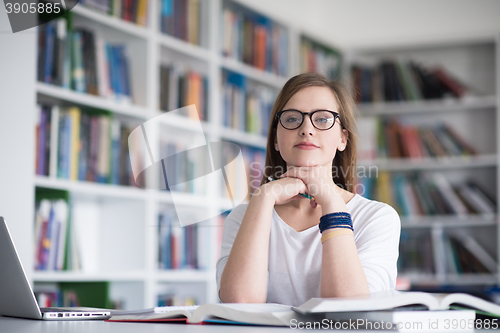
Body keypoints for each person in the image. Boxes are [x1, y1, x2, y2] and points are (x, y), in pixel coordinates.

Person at [216, 73, 401, 307]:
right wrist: (264, 199)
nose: (306, 129)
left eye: (323, 120)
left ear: (342, 139)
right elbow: (240, 302)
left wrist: (332, 202)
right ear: (275, 138)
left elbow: (348, 311)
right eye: (292, 119)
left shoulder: (377, 218)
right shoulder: (243, 217)